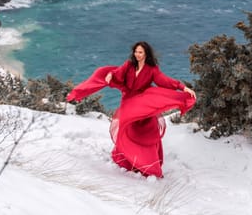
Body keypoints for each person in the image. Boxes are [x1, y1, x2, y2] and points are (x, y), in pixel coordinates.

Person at [66, 41, 196, 178]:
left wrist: (183, 87)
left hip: (142, 103)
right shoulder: (129, 64)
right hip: (128, 101)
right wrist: (111, 74)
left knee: (146, 132)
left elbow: (165, 81)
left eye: (140, 52)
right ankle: (128, 161)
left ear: (146, 54)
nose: (137, 55)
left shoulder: (152, 69)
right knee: (127, 129)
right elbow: (119, 72)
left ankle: (148, 165)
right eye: (136, 52)